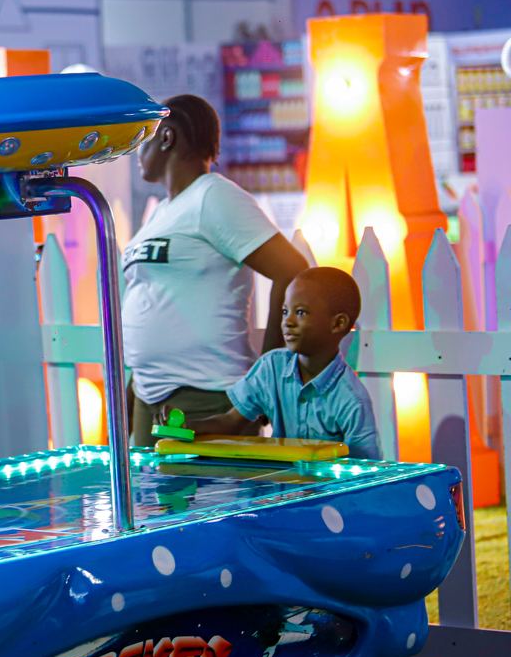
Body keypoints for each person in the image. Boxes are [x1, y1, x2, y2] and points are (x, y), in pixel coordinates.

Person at [124, 94, 309, 445]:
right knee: (149, 485)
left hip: (206, 396)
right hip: (150, 396)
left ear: (167, 136)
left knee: (207, 485)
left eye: (144, 137)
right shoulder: (162, 212)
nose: (136, 150)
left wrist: (265, 380)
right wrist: (135, 385)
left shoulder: (214, 197)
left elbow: (291, 271)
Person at [166, 266, 380, 460]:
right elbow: (231, 422)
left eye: (301, 312)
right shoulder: (271, 367)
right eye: (285, 311)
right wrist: (188, 426)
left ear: (338, 324)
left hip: (326, 490)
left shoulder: (352, 399)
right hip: (280, 483)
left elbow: (366, 469)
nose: (288, 322)